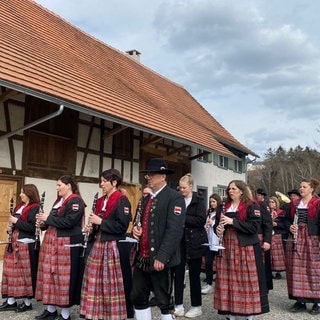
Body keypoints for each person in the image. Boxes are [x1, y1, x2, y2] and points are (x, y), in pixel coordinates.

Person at [130, 158, 186, 320]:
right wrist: (136, 230)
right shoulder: (147, 199)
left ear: (163, 177)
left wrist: (162, 256)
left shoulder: (174, 198)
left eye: (152, 174)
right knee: (138, 295)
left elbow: (174, 231)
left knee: (164, 300)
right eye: (148, 174)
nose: (148, 177)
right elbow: (140, 222)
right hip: (143, 258)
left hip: (161, 259)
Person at [80, 168, 132, 320]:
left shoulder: (122, 200)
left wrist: (101, 222)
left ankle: (111, 314)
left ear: (114, 182)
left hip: (112, 245)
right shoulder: (101, 200)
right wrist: (91, 227)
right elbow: (97, 223)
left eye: (104, 181)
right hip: (98, 243)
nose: (101, 184)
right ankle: (96, 312)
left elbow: (122, 226)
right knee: (95, 281)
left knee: (109, 282)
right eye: (101, 181)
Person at [214, 180, 269, 320]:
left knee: (245, 281)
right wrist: (218, 229)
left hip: (245, 247)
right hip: (227, 246)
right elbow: (216, 226)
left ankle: (248, 314)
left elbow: (254, 228)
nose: (230, 191)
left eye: (233, 188)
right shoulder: (223, 207)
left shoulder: (251, 206)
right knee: (228, 280)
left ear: (241, 190)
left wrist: (233, 222)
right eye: (229, 189)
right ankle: (231, 313)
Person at [35, 175, 86, 320]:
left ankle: (65, 315)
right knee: (49, 276)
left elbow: (69, 222)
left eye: (59, 185)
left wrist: (47, 219)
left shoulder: (76, 201)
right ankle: (50, 310)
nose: (57, 188)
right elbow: (53, 221)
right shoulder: (59, 201)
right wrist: (43, 224)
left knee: (63, 279)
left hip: (65, 244)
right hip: (52, 242)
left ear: (68, 185)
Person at [0, 184, 41, 313]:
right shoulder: (19, 207)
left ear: (29, 193)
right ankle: (11, 301)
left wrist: (16, 222)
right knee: (10, 271)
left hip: (26, 243)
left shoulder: (36, 208)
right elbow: (15, 224)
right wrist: (9, 229)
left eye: (22, 192)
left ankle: (27, 302)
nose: (20, 195)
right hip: (14, 241)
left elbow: (33, 228)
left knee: (25, 273)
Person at [172, 173, 208, 318]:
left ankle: (196, 306)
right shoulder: (177, 200)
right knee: (178, 274)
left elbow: (200, 221)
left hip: (195, 242)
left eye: (184, 188)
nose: (182, 190)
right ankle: (178, 305)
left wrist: (182, 218)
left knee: (194, 275)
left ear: (191, 186)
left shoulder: (199, 201)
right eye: (180, 188)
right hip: (180, 241)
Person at [285, 178, 320, 315]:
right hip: (296, 238)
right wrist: (290, 227)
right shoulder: (294, 204)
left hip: (312, 238)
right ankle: (300, 301)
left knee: (314, 269)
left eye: (304, 187)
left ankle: (318, 302)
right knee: (296, 269)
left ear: (311, 189)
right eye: (300, 187)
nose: (301, 189)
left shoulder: (317, 204)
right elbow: (286, 220)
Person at [201, 193, 222, 295]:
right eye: (210, 202)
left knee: (219, 264)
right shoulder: (209, 213)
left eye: (214, 201)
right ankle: (209, 283)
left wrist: (212, 223)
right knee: (208, 263)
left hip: (217, 241)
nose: (212, 204)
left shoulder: (220, 213)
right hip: (209, 241)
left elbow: (220, 225)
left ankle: (220, 285)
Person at [268, 196, 286, 280]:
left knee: (277, 254)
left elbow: (284, 225)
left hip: (277, 234)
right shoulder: (266, 212)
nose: (271, 204)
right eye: (270, 202)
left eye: (273, 202)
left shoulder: (281, 213)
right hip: (269, 234)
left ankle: (278, 271)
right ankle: (270, 271)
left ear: (276, 203)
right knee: (269, 253)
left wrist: (277, 224)